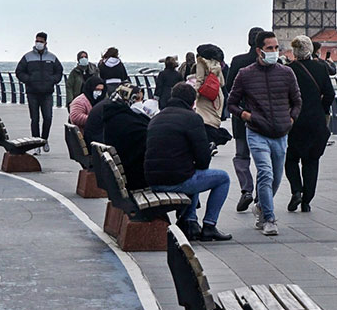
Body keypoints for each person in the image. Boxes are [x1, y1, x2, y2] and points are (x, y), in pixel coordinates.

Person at [226, 30, 301, 237]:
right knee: (265, 173)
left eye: (276, 48)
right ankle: (269, 218)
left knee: (276, 177)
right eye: (270, 48)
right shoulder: (245, 74)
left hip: (281, 132)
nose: (274, 52)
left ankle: (260, 206)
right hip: (257, 131)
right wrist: (245, 116)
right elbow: (231, 102)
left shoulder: (286, 73)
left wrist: (291, 118)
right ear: (259, 50)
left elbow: (297, 100)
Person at [146, 82, 232, 242]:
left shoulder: (156, 118)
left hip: (153, 180)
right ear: (193, 102)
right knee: (222, 178)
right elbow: (203, 159)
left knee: (192, 172)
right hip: (176, 180)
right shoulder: (193, 118)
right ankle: (209, 225)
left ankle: (191, 221)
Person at [285, 36, 335, 212]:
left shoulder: (288, 70)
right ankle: (307, 200)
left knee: (291, 158)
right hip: (316, 121)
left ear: (294, 51)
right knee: (311, 161)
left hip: (294, 121)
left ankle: (296, 190)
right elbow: (330, 94)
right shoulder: (321, 69)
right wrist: (321, 108)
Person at [226, 27, 264, 211]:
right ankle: (260, 192)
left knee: (241, 155)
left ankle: (246, 189)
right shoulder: (272, 63)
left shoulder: (238, 61)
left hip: (241, 114)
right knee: (262, 157)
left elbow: (229, 87)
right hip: (264, 116)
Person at [15, 32, 64, 152]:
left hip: (47, 93)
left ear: (45, 43)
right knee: (35, 119)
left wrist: (53, 80)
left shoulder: (52, 57)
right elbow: (19, 71)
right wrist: (29, 80)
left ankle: (44, 140)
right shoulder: (27, 57)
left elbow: (59, 71)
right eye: (37, 41)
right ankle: (36, 144)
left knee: (48, 118)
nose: (38, 43)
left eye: (41, 41)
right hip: (32, 92)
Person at [102, 83, 150, 190]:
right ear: (127, 98)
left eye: (141, 99)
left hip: (124, 172)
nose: (140, 102)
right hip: (136, 177)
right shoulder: (129, 123)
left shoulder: (113, 116)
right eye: (136, 99)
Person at [194, 44, 229, 146]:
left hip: (205, 95)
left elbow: (199, 80)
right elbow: (222, 82)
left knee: (204, 119)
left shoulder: (201, 63)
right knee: (213, 119)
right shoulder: (217, 64)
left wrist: (195, 95)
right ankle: (213, 140)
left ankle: (208, 142)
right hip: (217, 95)